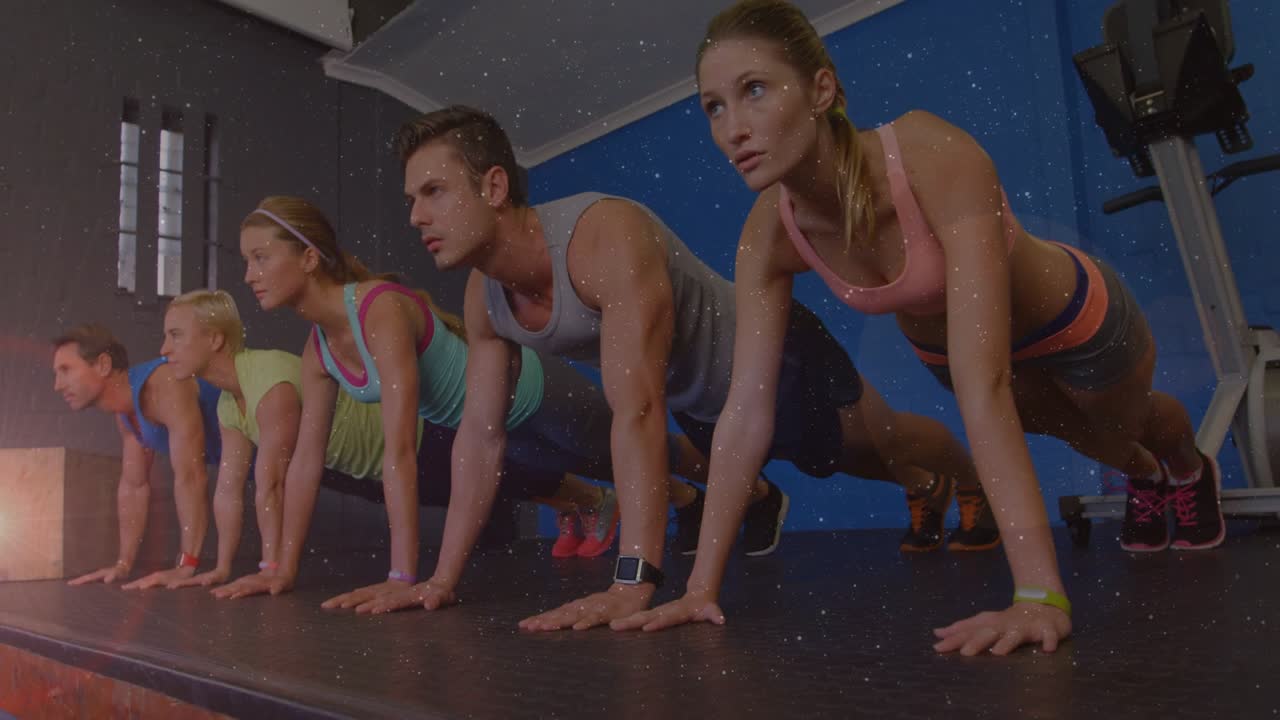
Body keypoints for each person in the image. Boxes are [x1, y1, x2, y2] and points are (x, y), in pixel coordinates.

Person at [621, 0, 1223, 656]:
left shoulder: (931, 155)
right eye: (713, 107)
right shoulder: (769, 234)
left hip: (1073, 317)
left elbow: (985, 384)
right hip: (956, 354)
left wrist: (1039, 596)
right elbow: (744, 412)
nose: (733, 128)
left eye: (755, 90)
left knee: (1121, 426)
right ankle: (1145, 475)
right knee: (1093, 441)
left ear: (821, 89)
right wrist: (700, 588)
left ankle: (1187, 467)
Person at [386, 105, 993, 632]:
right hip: (703, 402)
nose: (415, 216)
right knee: (840, 462)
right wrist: (439, 581)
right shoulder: (485, 299)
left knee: (881, 442)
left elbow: (636, 410)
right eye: (411, 200)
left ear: (493, 186)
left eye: (433, 192)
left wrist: (633, 580)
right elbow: (481, 438)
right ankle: (921, 488)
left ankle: (970, 483)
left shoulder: (602, 236)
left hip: (773, 351)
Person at [220, 197, 710, 612]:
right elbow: (305, 464)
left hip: (535, 396)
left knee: (650, 452)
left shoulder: (378, 309)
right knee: (606, 468)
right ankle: (692, 501)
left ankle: (733, 482)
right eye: (247, 261)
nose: (249, 275)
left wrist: (401, 576)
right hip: (495, 434)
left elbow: (400, 452)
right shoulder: (318, 353)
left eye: (261, 258)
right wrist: (280, 568)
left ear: (308, 258)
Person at [154, 290, 611, 600]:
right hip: (366, 472)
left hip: (414, 441)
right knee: (502, 484)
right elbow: (229, 489)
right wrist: (218, 567)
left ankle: (594, 498)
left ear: (214, 338)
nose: (164, 349)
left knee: (513, 473)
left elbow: (271, 483)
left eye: (175, 335)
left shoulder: (268, 379)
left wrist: (273, 568)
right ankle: (579, 501)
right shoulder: (229, 404)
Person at [51, 323, 220, 589]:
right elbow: (134, 486)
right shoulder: (126, 414)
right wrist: (123, 564)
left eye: (66, 370)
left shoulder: (163, 382)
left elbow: (191, 476)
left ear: (103, 365)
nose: (57, 385)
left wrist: (186, 567)